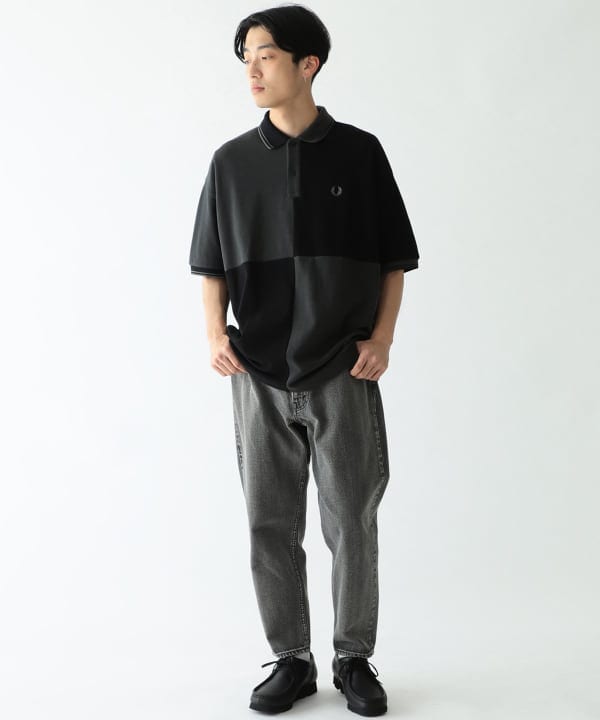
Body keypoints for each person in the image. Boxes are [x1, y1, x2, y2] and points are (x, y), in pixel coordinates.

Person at [189, 4, 419, 715]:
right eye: (246, 59)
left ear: (307, 63)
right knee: (269, 521)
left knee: (352, 519)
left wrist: (382, 339)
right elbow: (210, 263)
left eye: (264, 56)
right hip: (256, 370)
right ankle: (291, 659)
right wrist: (215, 334)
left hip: (343, 367)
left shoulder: (360, 153)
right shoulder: (230, 162)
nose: (252, 71)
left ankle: (353, 658)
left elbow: (394, 259)